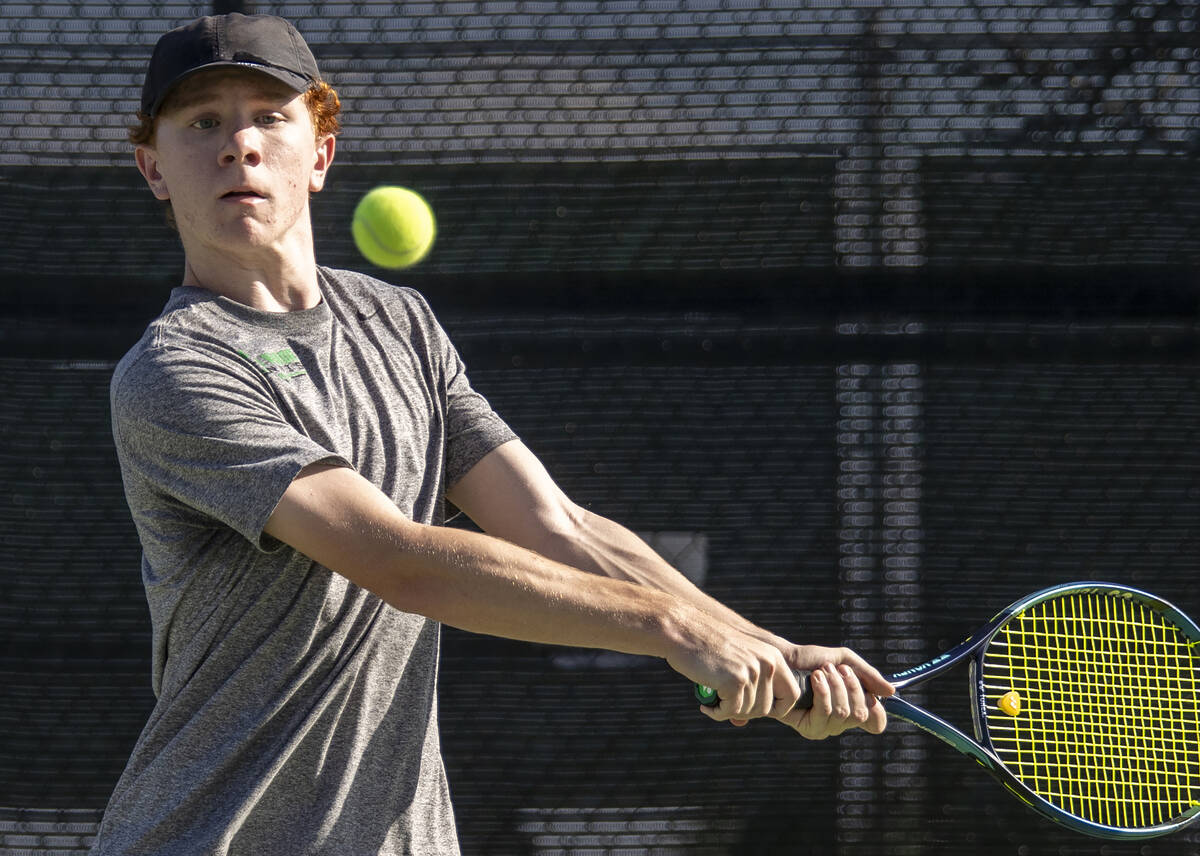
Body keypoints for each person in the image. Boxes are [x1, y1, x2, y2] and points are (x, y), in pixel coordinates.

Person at [92, 12, 894, 855]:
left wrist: (770, 651)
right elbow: (399, 560)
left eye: (270, 115)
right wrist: (678, 631)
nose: (240, 145)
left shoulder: (395, 321)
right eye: (203, 122)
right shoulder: (173, 373)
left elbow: (559, 527)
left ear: (319, 155)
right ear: (154, 167)